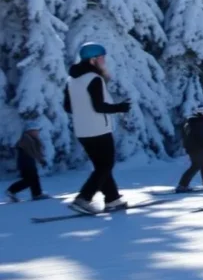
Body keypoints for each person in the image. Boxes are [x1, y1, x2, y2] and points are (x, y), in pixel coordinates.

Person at [64, 43, 132, 215]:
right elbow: (99, 106)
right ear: (93, 60)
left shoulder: (72, 80)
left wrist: (83, 112)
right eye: (101, 58)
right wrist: (120, 107)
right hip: (98, 129)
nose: (104, 61)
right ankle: (83, 198)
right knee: (106, 165)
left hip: (82, 130)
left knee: (102, 166)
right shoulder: (94, 79)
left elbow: (68, 107)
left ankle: (112, 199)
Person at [176, 105, 203, 192]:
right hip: (198, 148)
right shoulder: (199, 121)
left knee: (199, 166)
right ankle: (183, 185)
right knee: (199, 166)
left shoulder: (190, 121)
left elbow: (186, 136)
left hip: (192, 147)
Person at [6, 126, 48, 202]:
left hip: (29, 162)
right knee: (29, 180)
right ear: (30, 131)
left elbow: (35, 152)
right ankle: (11, 190)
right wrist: (40, 160)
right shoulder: (26, 139)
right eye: (36, 131)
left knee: (34, 178)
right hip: (25, 163)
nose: (38, 132)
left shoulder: (33, 139)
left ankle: (37, 194)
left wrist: (41, 160)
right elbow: (31, 152)